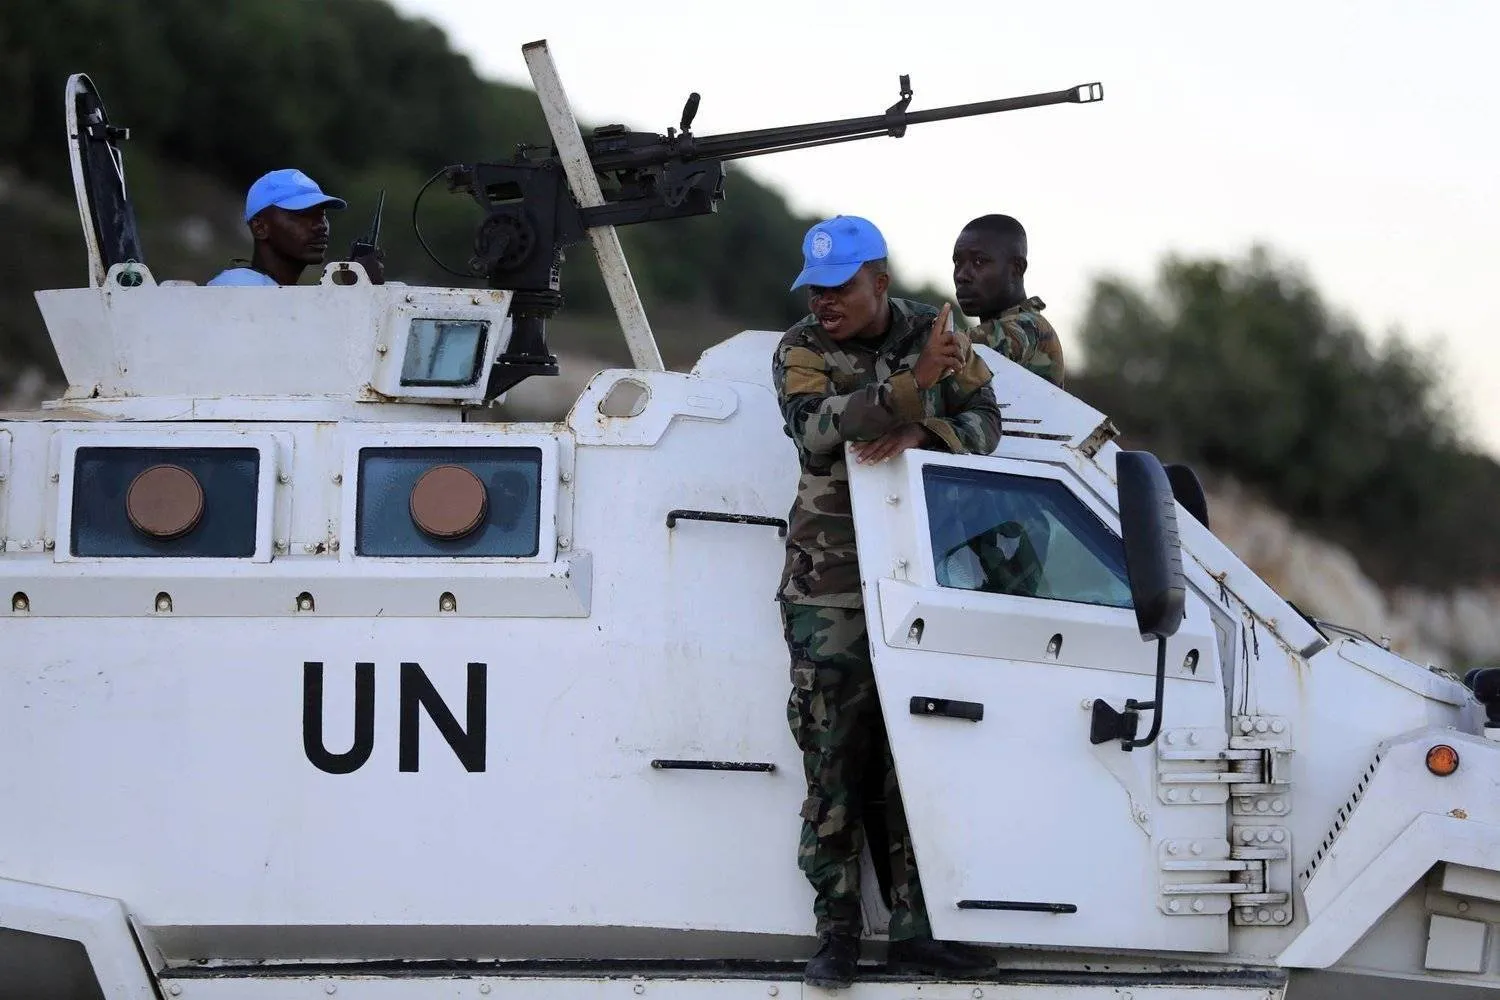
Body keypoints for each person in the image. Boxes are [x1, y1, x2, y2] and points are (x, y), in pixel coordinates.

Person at [772, 215, 1002, 988]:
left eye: (839, 288)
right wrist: (915, 387)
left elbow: (987, 422)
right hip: (828, 589)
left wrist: (926, 433)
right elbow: (817, 431)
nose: (825, 302)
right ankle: (836, 935)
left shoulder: (933, 332)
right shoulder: (801, 348)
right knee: (833, 765)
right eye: (816, 289)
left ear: (879, 281)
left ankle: (915, 933)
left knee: (915, 765)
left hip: (921, 583)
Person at [207, 169, 384, 287]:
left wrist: (359, 287)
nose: (320, 225)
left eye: (322, 214)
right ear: (260, 227)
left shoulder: (275, 292)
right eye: (302, 215)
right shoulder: (239, 287)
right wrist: (366, 295)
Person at [951, 214, 1064, 387]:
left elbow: (946, 349)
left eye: (979, 261)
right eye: (957, 262)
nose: (961, 275)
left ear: (1017, 268)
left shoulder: (1029, 326)